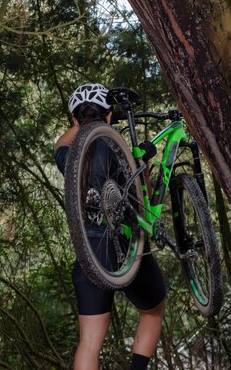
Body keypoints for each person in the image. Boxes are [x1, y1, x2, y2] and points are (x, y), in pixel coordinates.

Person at [55, 83, 166, 370]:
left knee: (90, 343)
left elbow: (61, 142)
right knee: (153, 314)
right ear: (109, 116)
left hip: (90, 254)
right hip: (129, 252)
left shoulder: (68, 159)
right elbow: (143, 194)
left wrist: (81, 124)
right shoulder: (121, 151)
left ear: (75, 121)